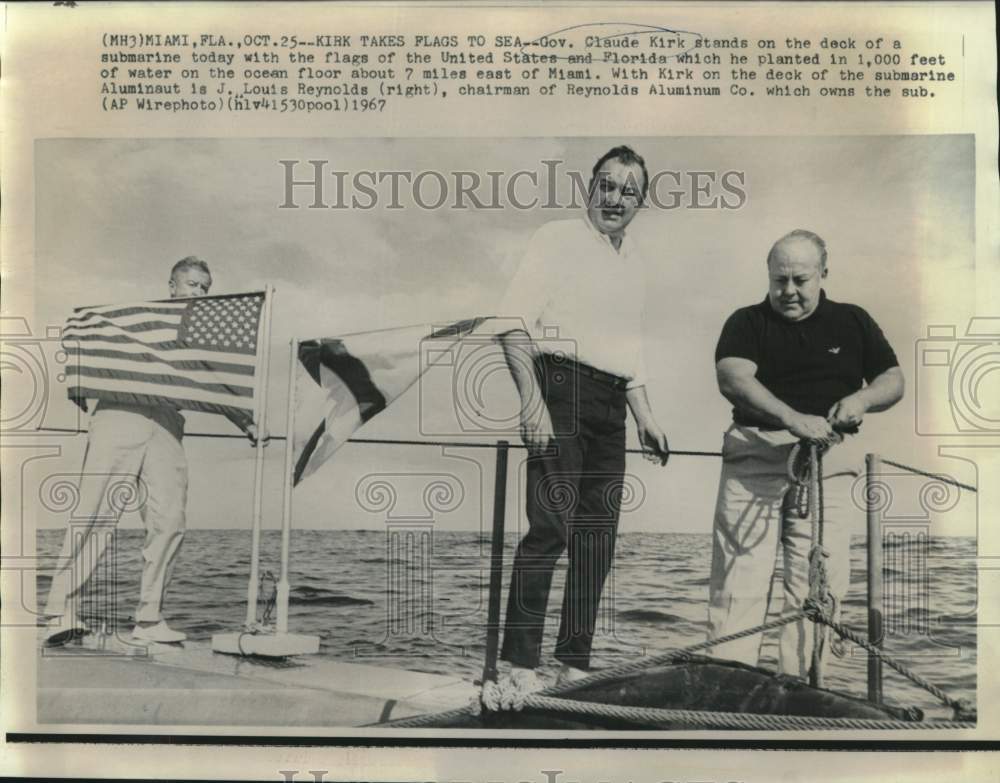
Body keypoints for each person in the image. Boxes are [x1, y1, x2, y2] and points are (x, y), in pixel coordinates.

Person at [492, 146, 670, 701]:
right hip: (559, 386)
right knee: (550, 528)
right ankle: (516, 664)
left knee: (597, 539)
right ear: (589, 186)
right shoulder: (558, 238)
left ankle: (573, 663)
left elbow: (629, 352)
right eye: (607, 185)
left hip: (611, 405)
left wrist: (646, 417)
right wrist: (531, 402)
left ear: (641, 202)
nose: (615, 198)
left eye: (629, 191)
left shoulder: (634, 261)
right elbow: (510, 323)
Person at [707, 229, 904, 677]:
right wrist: (792, 417)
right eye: (780, 281)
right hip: (754, 458)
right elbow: (732, 377)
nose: (789, 291)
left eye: (800, 280)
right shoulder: (746, 321)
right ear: (769, 276)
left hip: (827, 464)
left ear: (823, 274)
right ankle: (727, 686)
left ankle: (800, 690)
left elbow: (893, 379)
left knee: (819, 583)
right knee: (739, 580)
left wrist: (862, 400)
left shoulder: (854, 321)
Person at [42, 257, 262, 646]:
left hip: (167, 424)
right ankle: (61, 613)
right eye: (192, 284)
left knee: (170, 521)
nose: (199, 293)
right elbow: (94, 345)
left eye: (205, 288)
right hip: (119, 416)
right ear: (173, 286)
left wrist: (245, 420)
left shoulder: (202, 335)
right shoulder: (142, 322)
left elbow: (215, 381)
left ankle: (148, 619)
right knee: (95, 514)